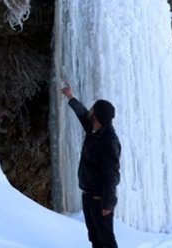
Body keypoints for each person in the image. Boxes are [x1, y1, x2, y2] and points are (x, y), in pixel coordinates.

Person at [61, 85, 121, 248]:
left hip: (100, 199)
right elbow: (82, 115)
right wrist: (71, 98)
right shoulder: (95, 129)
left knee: (106, 241)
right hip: (89, 196)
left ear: (97, 116)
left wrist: (108, 204)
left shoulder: (108, 142)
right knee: (95, 238)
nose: (90, 110)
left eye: (93, 109)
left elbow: (111, 176)